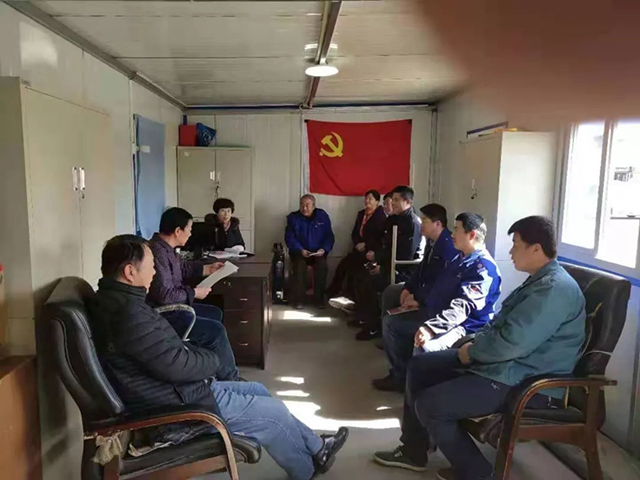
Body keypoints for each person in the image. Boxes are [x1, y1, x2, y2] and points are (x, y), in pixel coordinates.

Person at [90, 235, 349, 480]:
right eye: (151, 266)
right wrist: (211, 359)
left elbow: (166, 358)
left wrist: (195, 358)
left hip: (179, 391)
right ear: (130, 272)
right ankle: (306, 472)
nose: (155, 272)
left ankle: (318, 448)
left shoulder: (121, 302)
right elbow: (177, 366)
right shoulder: (129, 316)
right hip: (180, 408)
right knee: (274, 414)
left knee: (258, 389)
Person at [373, 216, 586, 480]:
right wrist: (474, 346)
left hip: (524, 382)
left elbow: (511, 343)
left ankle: (478, 473)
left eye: (516, 244)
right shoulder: (538, 281)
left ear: (536, 248)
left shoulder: (554, 289)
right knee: (419, 366)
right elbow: (498, 326)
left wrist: (472, 352)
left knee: (431, 405)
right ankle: (413, 451)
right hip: (503, 367)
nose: (510, 252)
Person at [371, 204, 460, 391]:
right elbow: (420, 269)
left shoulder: (448, 247)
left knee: (391, 323)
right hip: (423, 291)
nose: (421, 225)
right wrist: (408, 289)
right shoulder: (432, 241)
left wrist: (418, 299)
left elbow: (440, 286)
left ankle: (400, 375)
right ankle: (391, 344)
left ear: (437, 224)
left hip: (436, 303)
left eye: (425, 221)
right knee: (392, 292)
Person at [147, 207, 239, 381]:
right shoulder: (157, 252)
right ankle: (231, 379)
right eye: (189, 229)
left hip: (174, 307)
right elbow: (165, 296)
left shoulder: (166, 248)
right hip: (165, 314)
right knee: (216, 330)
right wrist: (195, 292)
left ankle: (211, 367)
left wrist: (208, 268)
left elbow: (182, 268)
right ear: (178, 231)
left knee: (215, 312)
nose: (190, 234)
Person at [353, 186, 422, 340]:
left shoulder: (412, 223)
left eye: (397, 200)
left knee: (371, 283)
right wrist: (376, 259)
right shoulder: (392, 219)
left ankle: (375, 327)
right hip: (387, 263)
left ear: (408, 202)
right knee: (360, 276)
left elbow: (405, 255)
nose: (393, 203)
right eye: (393, 200)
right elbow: (383, 244)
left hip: (403, 269)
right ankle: (364, 318)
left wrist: (382, 267)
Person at [326, 189, 386, 300]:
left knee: (355, 271)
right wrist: (357, 243)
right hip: (358, 250)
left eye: (370, 199)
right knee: (342, 266)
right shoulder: (361, 214)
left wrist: (366, 244)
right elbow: (355, 233)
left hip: (370, 252)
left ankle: (349, 296)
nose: (367, 201)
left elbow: (379, 237)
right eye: (366, 198)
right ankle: (333, 291)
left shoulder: (381, 216)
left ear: (377, 202)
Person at [285, 194, 335, 309]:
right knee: (299, 266)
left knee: (322, 266)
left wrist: (324, 249)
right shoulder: (293, 218)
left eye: (307, 205)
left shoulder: (322, 216)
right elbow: (289, 237)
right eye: (302, 205)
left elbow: (329, 236)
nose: (304, 208)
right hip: (300, 252)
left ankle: (319, 299)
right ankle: (299, 299)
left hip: (317, 252)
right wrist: (300, 249)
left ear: (314, 206)